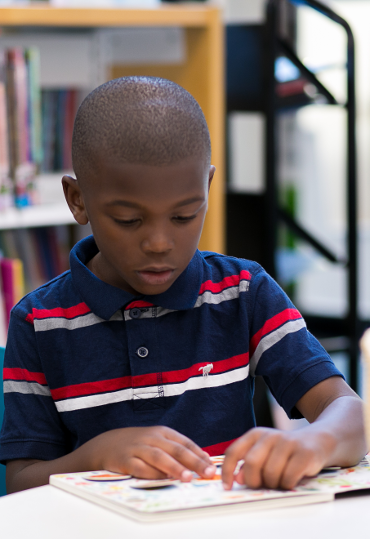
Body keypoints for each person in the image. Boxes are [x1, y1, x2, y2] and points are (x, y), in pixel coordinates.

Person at [0, 77, 366, 494]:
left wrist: (314, 441)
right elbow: (20, 484)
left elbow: (349, 412)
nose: (159, 243)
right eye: (128, 220)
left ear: (207, 189)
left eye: (183, 216)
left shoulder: (244, 292)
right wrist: (98, 455)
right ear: (78, 199)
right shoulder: (38, 322)